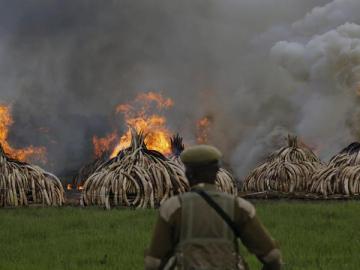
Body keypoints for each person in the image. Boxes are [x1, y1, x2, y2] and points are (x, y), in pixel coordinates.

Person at [145, 145, 282, 270]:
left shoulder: (173, 207)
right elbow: (272, 257)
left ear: (187, 173)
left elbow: (153, 263)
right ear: (217, 172)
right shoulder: (239, 207)